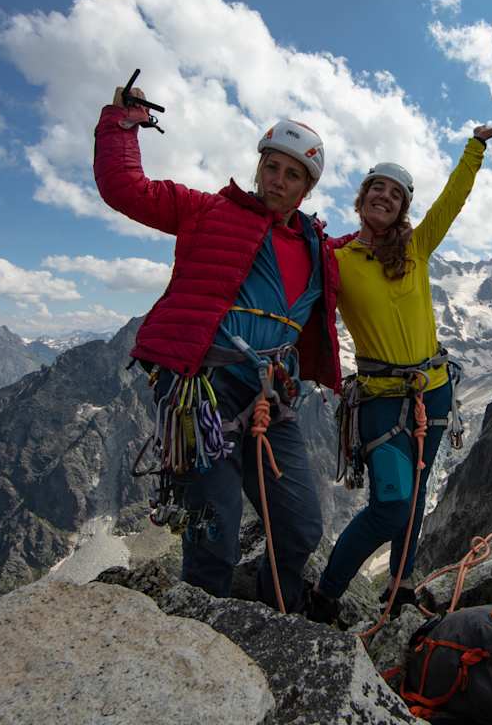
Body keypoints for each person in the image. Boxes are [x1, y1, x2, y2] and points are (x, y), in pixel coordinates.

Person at [93, 85, 343, 614]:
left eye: (292, 173)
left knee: (300, 528)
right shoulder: (207, 212)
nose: (278, 179)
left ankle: (279, 622)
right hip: (202, 396)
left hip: (272, 401)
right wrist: (122, 122)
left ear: (307, 189)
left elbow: (387, 245)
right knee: (214, 537)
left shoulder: (323, 251)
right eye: (271, 166)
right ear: (258, 169)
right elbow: (125, 189)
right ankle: (198, 644)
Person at [306, 119, 492, 624]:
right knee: (392, 505)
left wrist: (475, 149)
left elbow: (451, 203)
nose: (384, 196)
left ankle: (398, 588)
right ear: (361, 199)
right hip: (380, 399)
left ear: (402, 207)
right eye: (376, 187)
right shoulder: (337, 258)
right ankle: (325, 597)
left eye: (394, 194)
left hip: (434, 393)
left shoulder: (416, 249)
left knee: (414, 497)